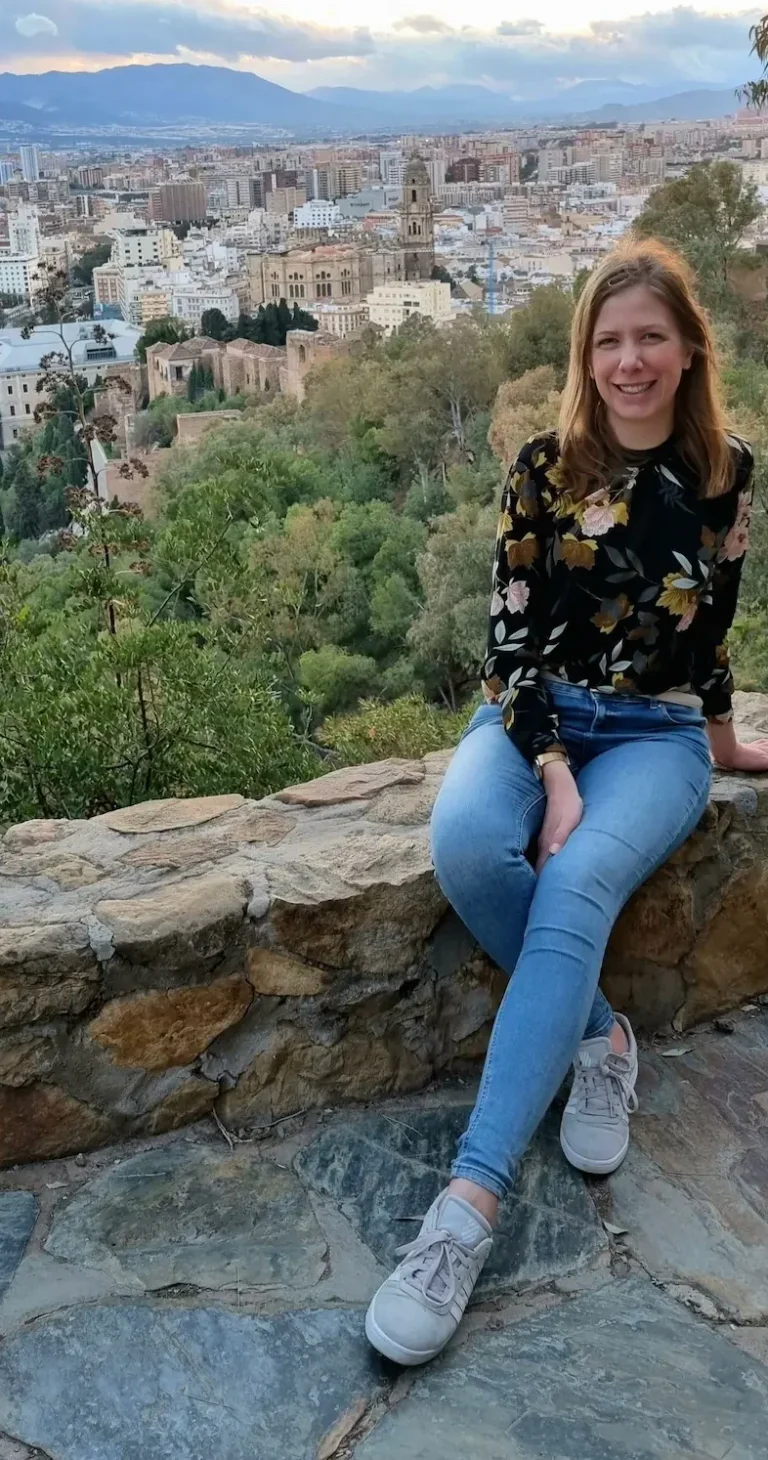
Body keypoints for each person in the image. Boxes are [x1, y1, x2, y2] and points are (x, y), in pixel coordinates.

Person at [365, 236, 768, 1368]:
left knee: (578, 877)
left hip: (654, 735)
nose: (629, 361)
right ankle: (601, 1034)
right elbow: (509, 643)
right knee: (468, 846)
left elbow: (709, 632)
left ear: (689, 350)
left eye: (651, 338)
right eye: (608, 341)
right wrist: (550, 770)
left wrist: (727, 744)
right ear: (585, 356)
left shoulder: (728, 472)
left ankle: (465, 1210)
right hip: (532, 715)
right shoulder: (543, 467)